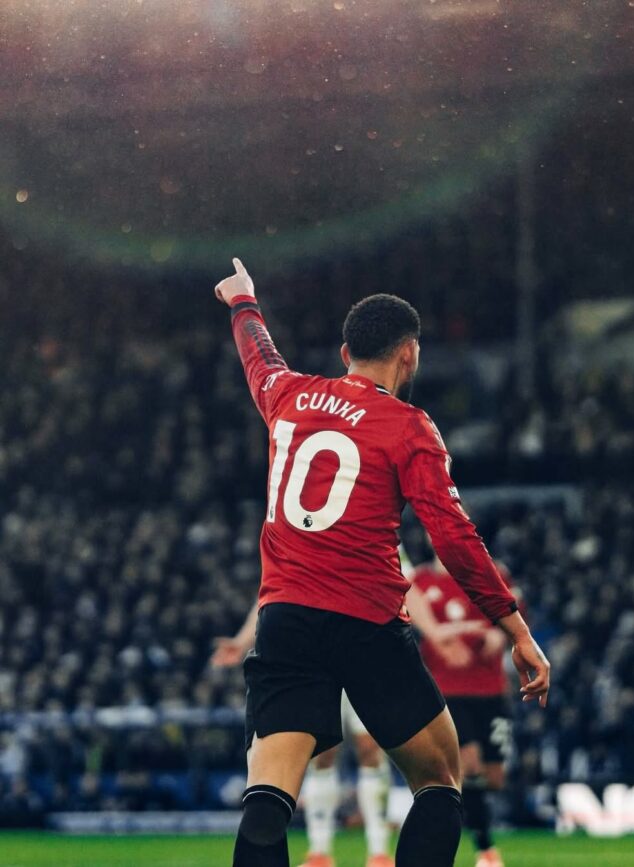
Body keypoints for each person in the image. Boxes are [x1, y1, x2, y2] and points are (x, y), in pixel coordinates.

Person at [213, 259, 550, 867]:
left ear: (346, 353)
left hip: (286, 621)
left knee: (268, 796)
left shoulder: (289, 397)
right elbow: (453, 536)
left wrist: (244, 304)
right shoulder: (409, 427)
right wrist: (516, 629)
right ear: (410, 354)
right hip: (367, 624)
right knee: (440, 780)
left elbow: (260, 360)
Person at [213, 607, 396, 867]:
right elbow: (272, 595)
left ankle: (379, 852)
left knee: (371, 750)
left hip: (365, 655)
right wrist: (243, 640)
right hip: (319, 660)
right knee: (322, 753)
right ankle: (319, 852)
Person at [408, 554, 521, 867]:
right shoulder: (421, 582)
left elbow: (514, 614)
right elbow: (408, 621)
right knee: (469, 765)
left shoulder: (491, 573)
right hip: (447, 691)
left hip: (491, 689)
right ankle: (486, 849)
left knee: (494, 777)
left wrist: (500, 634)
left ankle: (461, 825)